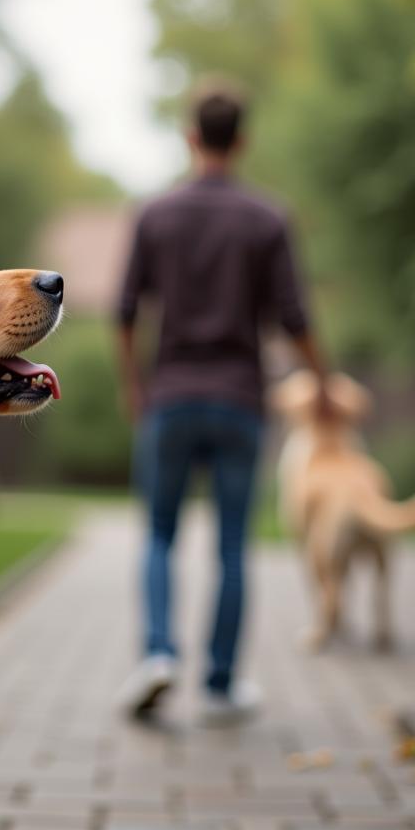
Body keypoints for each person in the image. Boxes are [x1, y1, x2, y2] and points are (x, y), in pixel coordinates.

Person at [116, 80, 330, 723]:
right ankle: (221, 682)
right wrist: (321, 383)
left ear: (190, 137)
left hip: (172, 398)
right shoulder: (267, 218)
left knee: (158, 534)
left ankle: (157, 653)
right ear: (241, 140)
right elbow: (294, 317)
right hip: (240, 400)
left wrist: (136, 386)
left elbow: (125, 312)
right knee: (233, 546)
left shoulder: (154, 216)